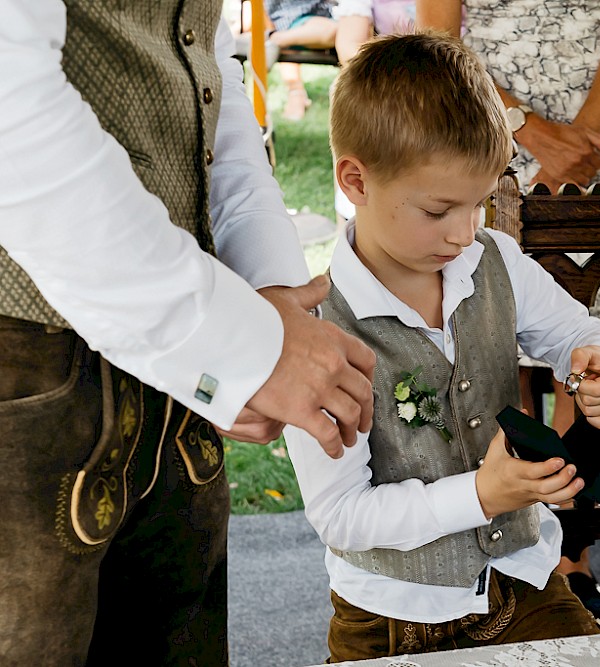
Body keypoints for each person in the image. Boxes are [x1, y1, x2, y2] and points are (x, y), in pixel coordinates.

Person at [0, 2, 375, 663]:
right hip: (24, 361)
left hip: (176, 375)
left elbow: (204, 49)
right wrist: (239, 346)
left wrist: (266, 292)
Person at [283, 32, 600, 661]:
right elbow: (341, 515)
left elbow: (577, 334)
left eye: (480, 203)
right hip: (391, 615)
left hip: (523, 583)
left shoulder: (493, 259)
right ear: (355, 181)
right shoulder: (316, 328)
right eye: (440, 210)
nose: (464, 233)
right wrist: (480, 496)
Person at [416, 0, 600, 625]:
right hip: (485, 124)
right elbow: (438, 34)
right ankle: (497, 539)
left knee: (575, 348)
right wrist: (524, 127)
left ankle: (567, 558)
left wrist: (580, 140)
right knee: (487, 329)